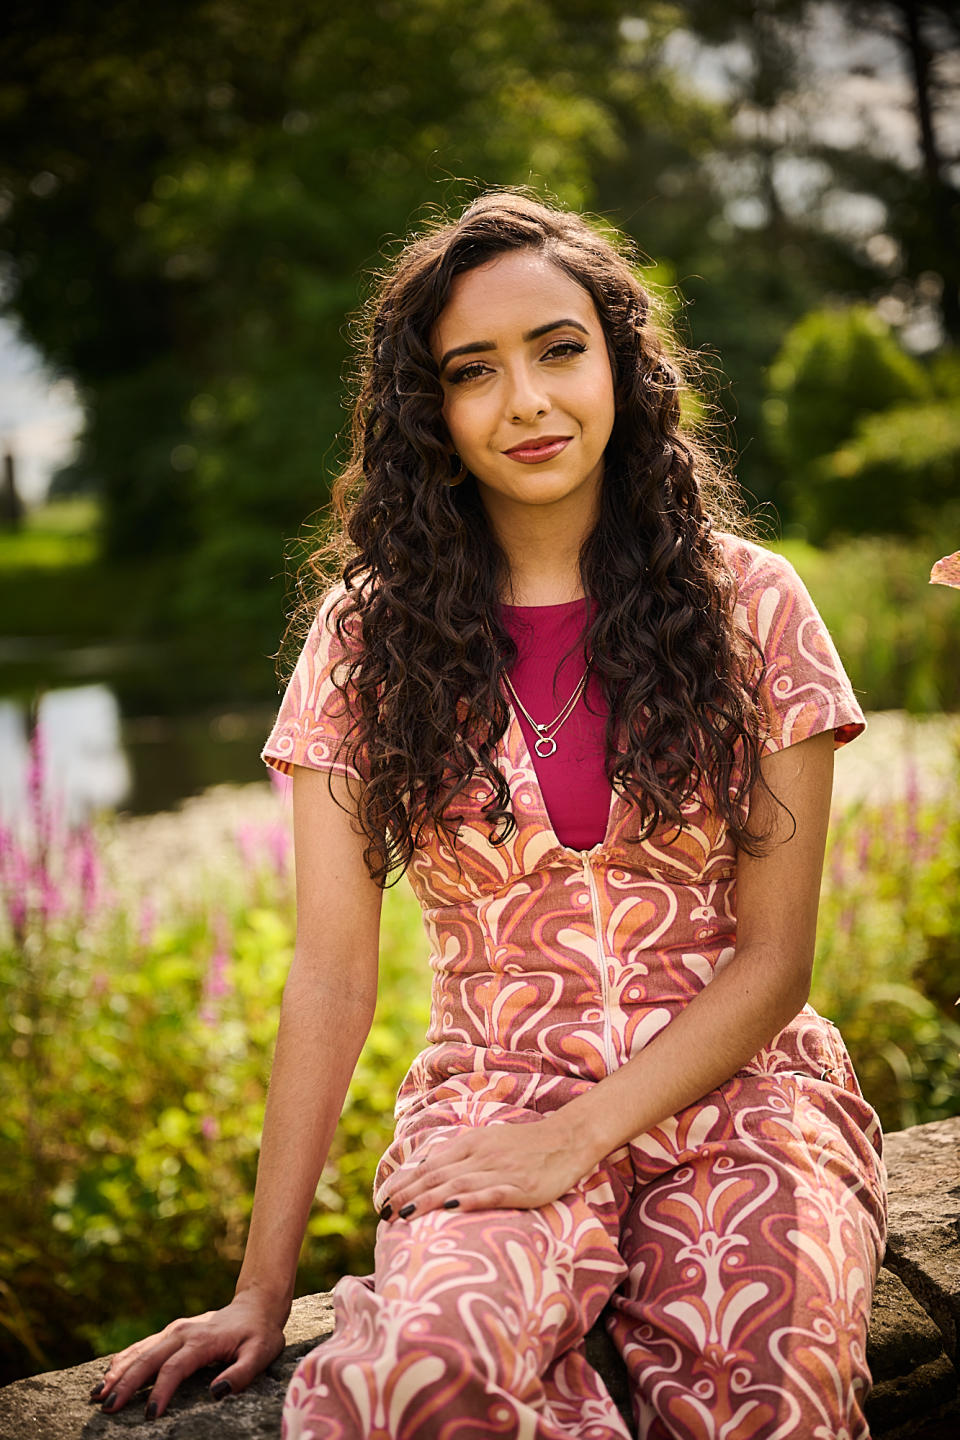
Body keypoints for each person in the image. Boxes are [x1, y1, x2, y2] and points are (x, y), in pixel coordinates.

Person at [88, 190, 887, 1439]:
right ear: (432, 413)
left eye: (560, 349)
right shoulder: (366, 638)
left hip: (746, 1103)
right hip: (493, 1102)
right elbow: (333, 975)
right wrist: (259, 1290)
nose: (526, 402)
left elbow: (776, 962)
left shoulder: (757, 605)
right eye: (475, 371)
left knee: (769, 1394)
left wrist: (584, 1139)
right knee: (430, 1384)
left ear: (621, 364)